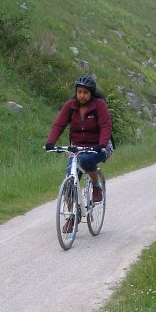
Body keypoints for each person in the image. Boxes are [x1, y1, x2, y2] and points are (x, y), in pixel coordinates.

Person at [45, 75, 113, 212]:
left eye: (85, 92)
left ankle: (96, 186)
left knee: (87, 160)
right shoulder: (70, 106)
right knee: (69, 184)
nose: (81, 95)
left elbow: (106, 126)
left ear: (91, 93)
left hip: (99, 147)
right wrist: (50, 142)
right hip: (76, 148)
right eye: (79, 92)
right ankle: (71, 217)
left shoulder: (99, 105)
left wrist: (101, 144)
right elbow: (58, 125)